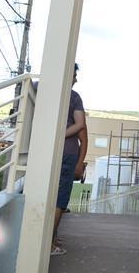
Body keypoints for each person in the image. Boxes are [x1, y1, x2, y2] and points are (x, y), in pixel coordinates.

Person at [51, 63, 88, 257]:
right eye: (74, 75)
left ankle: (50, 239)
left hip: (46, 152)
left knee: (49, 195)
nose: (75, 78)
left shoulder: (45, 94)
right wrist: (60, 136)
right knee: (59, 199)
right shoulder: (74, 98)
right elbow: (82, 127)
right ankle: (49, 244)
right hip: (67, 152)